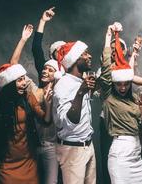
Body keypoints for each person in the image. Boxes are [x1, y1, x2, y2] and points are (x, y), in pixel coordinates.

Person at [0, 63, 53, 184]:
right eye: (20, 80)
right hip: (6, 165)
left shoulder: (28, 97)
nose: (24, 83)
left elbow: (46, 121)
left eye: (24, 79)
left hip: (29, 162)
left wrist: (47, 104)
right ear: (10, 83)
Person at [10, 21, 65, 183]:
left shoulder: (62, 91)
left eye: (50, 69)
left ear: (57, 75)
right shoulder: (34, 90)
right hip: (31, 145)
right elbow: (13, 66)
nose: (44, 70)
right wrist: (23, 39)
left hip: (52, 148)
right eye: (44, 68)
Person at [99, 22, 142, 183]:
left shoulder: (133, 98)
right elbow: (106, 69)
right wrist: (108, 37)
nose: (122, 87)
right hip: (120, 154)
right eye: (118, 83)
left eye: (126, 83)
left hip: (136, 154)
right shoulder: (109, 96)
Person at [52, 40, 96, 184]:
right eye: (85, 54)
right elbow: (68, 122)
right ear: (75, 59)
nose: (89, 56)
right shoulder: (63, 85)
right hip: (72, 150)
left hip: (88, 146)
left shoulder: (79, 81)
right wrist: (81, 93)